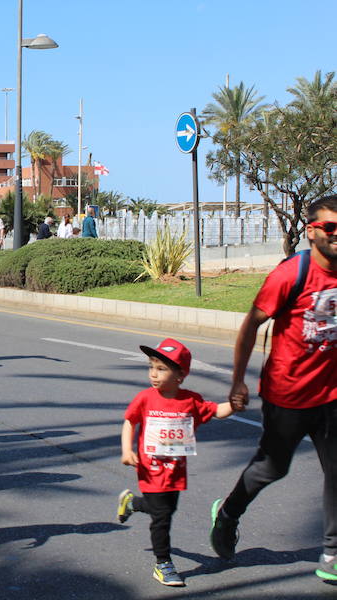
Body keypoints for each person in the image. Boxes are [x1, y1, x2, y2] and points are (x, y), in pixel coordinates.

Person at [210, 195, 337, 582]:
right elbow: (251, 325)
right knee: (272, 467)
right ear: (311, 231)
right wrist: (237, 380)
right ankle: (228, 512)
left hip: (332, 395)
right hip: (287, 394)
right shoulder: (290, 274)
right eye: (331, 227)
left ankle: (332, 551)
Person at [117, 338, 233, 587]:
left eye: (161, 369)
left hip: (176, 472)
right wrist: (127, 450)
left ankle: (132, 503)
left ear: (180, 375)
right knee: (162, 517)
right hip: (150, 470)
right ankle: (163, 563)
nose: (153, 374)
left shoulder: (190, 400)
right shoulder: (146, 398)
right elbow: (130, 421)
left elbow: (216, 411)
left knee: (165, 510)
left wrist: (235, 403)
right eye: (151, 367)